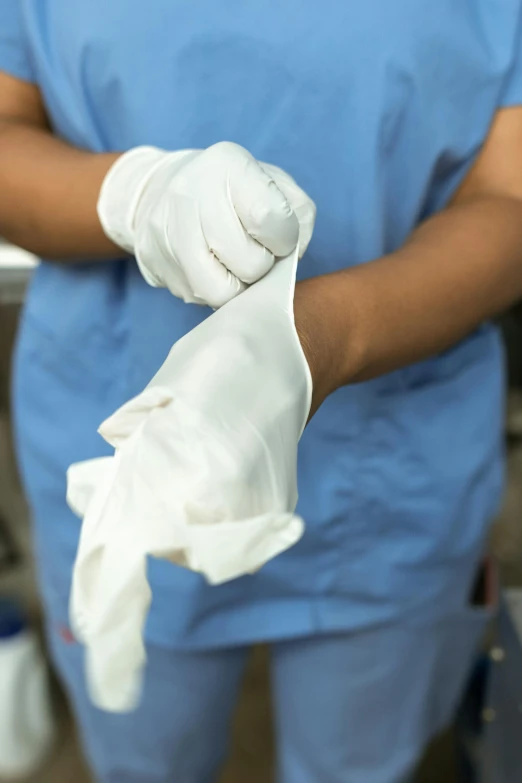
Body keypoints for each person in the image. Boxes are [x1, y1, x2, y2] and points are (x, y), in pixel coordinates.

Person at [1, 2, 522, 781]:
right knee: (148, 757)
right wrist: (134, 194)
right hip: (129, 438)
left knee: (361, 761)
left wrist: (319, 337)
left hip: (397, 471)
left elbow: (510, 198)